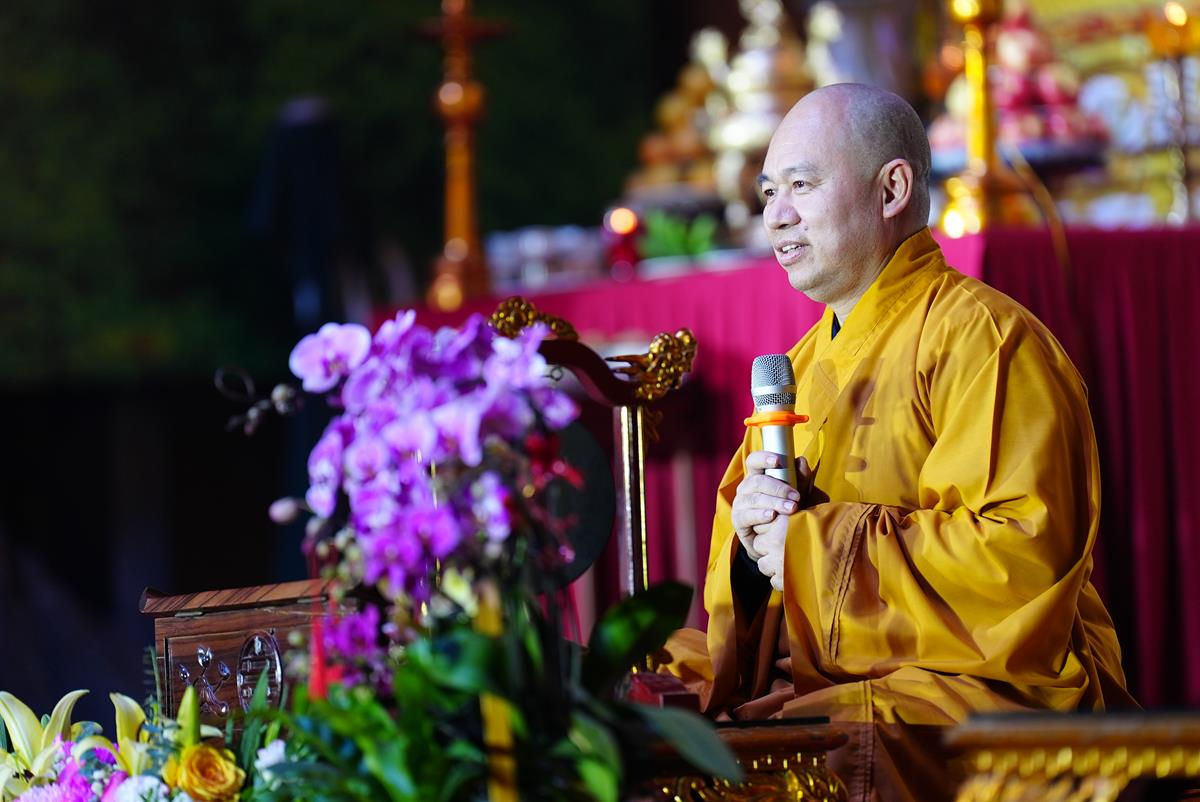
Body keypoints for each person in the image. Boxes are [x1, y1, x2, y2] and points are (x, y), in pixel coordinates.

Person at [660, 83, 1135, 802]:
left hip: (975, 684)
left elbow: (1020, 562)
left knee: (827, 746)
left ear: (891, 189)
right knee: (644, 686)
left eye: (801, 186)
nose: (777, 215)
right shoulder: (802, 367)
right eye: (768, 193)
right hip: (826, 675)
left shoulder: (986, 341)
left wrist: (811, 550)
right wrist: (754, 552)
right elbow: (748, 608)